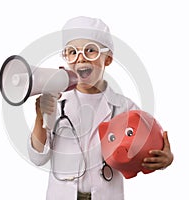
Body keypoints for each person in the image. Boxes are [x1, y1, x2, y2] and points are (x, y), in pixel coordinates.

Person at [28, 16, 173, 200]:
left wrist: (166, 159)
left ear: (108, 59)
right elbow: (38, 158)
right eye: (72, 52)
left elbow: (149, 146)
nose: (80, 58)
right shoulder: (56, 101)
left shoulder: (125, 107)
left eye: (90, 51)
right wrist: (40, 117)